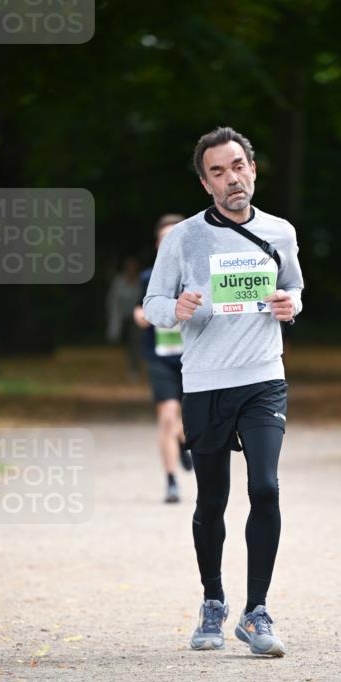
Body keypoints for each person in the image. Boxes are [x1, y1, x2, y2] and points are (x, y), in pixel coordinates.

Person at [144, 126, 304, 657]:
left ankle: (256, 612)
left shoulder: (280, 231)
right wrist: (176, 309)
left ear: (252, 169)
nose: (231, 178)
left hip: (263, 378)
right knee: (212, 500)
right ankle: (213, 600)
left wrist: (290, 305)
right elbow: (155, 304)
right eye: (218, 171)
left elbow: (294, 286)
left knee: (266, 488)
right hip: (206, 382)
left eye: (238, 166)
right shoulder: (183, 238)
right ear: (205, 183)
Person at [134, 214, 193, 504]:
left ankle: (183, 440)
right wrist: (143, 315)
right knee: (168, 417)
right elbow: (139, 310)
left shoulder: (198, 275)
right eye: (163, 238)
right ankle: (171, 482)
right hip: (160, 358)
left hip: (194, 359)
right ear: (157, 245)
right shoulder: (148, 278)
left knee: (192, 420)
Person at [106, 255, 143, 380]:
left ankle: (134, 368)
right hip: (121, 317)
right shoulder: (119, 281)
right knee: (124, 342)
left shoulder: (140, 281)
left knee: (135, 342)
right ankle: (125, 367)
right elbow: (113, 300)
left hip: (136, 318)